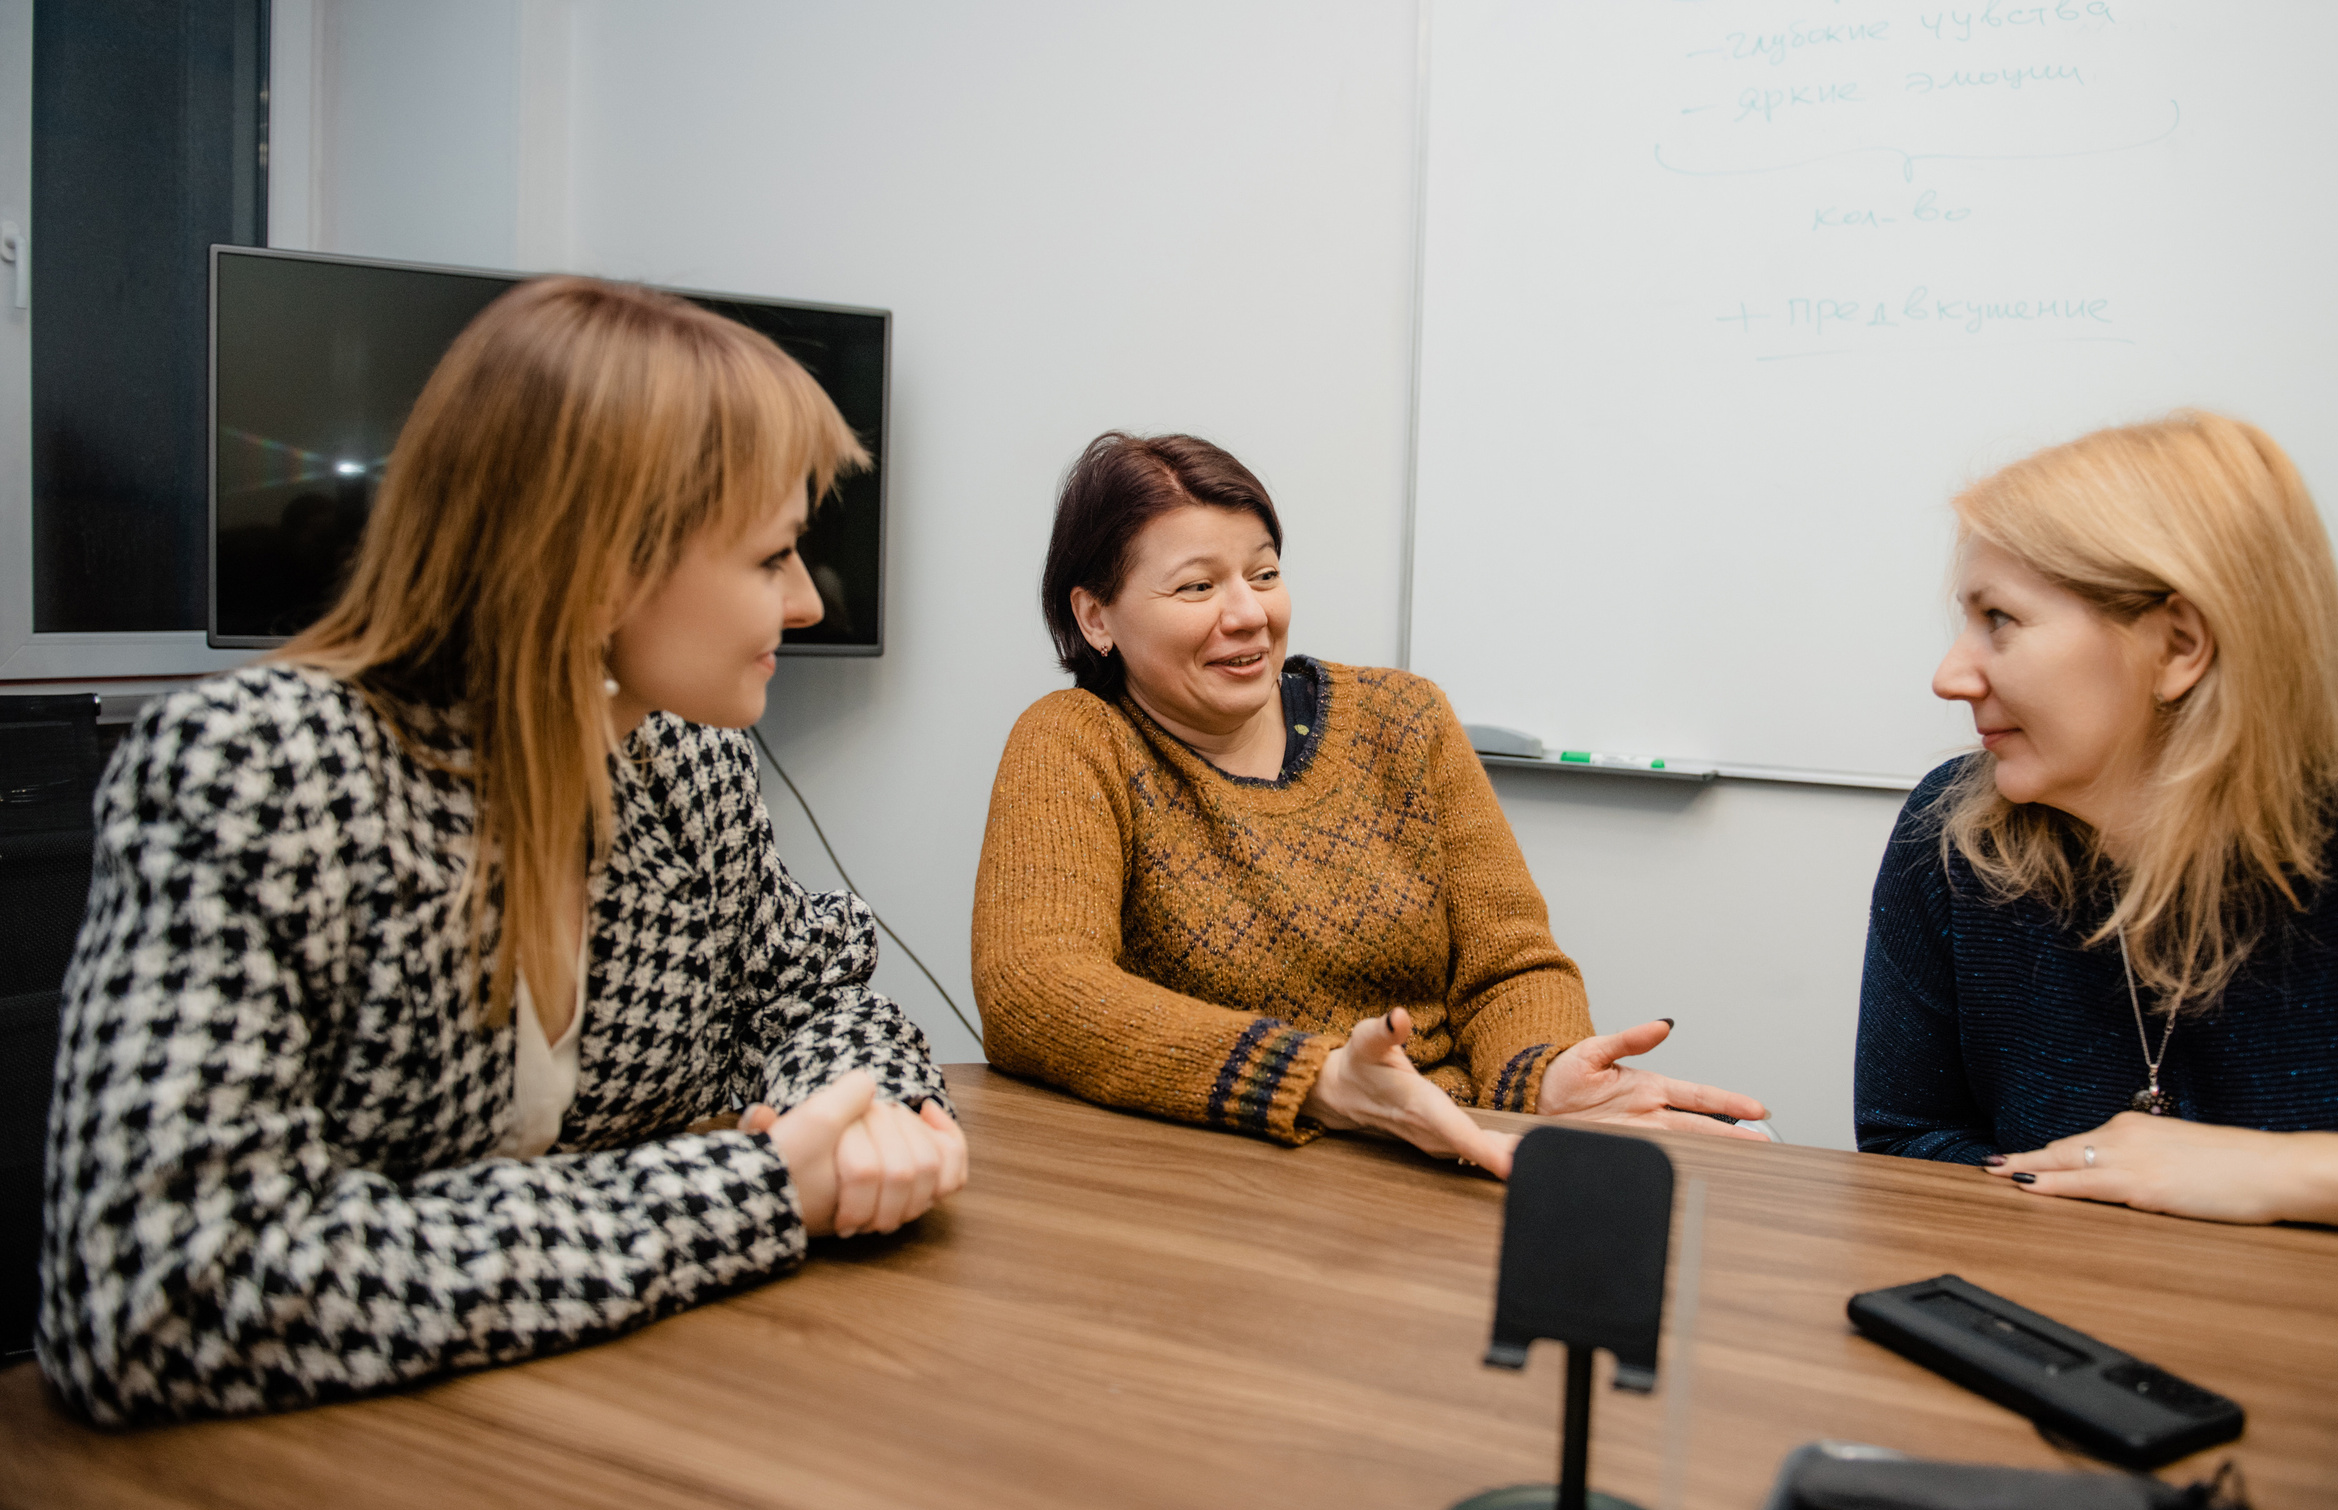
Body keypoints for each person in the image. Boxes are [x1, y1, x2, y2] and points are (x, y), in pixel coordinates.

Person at [40, 278, 967, 1427]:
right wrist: (758, 1188)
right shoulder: (258, 771)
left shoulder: (686, 755)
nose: (806, 603)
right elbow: (155, 1296)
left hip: (625, 1414)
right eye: (771, 555)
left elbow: (812, 996)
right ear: (601, 563)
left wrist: (867, 1121)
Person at [971, 431, 1769, 1175]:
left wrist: (1539, 1076)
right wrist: (1316, 1079)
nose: (1248, 613)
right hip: (1223, 1175)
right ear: (1096, 616)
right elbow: (1033, 983)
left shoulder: (1405, 718)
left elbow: (1510, 965)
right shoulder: (1074, 740)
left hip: (1449, 1150)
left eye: (1264, 574)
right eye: (1197, 586)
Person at [1856, 412, 2338, 1233]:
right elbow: (1906, 1142)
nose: (1950, 675)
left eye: (2000, 621)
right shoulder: (1953, 835)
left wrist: (2278, 1173)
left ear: (2181, 645)